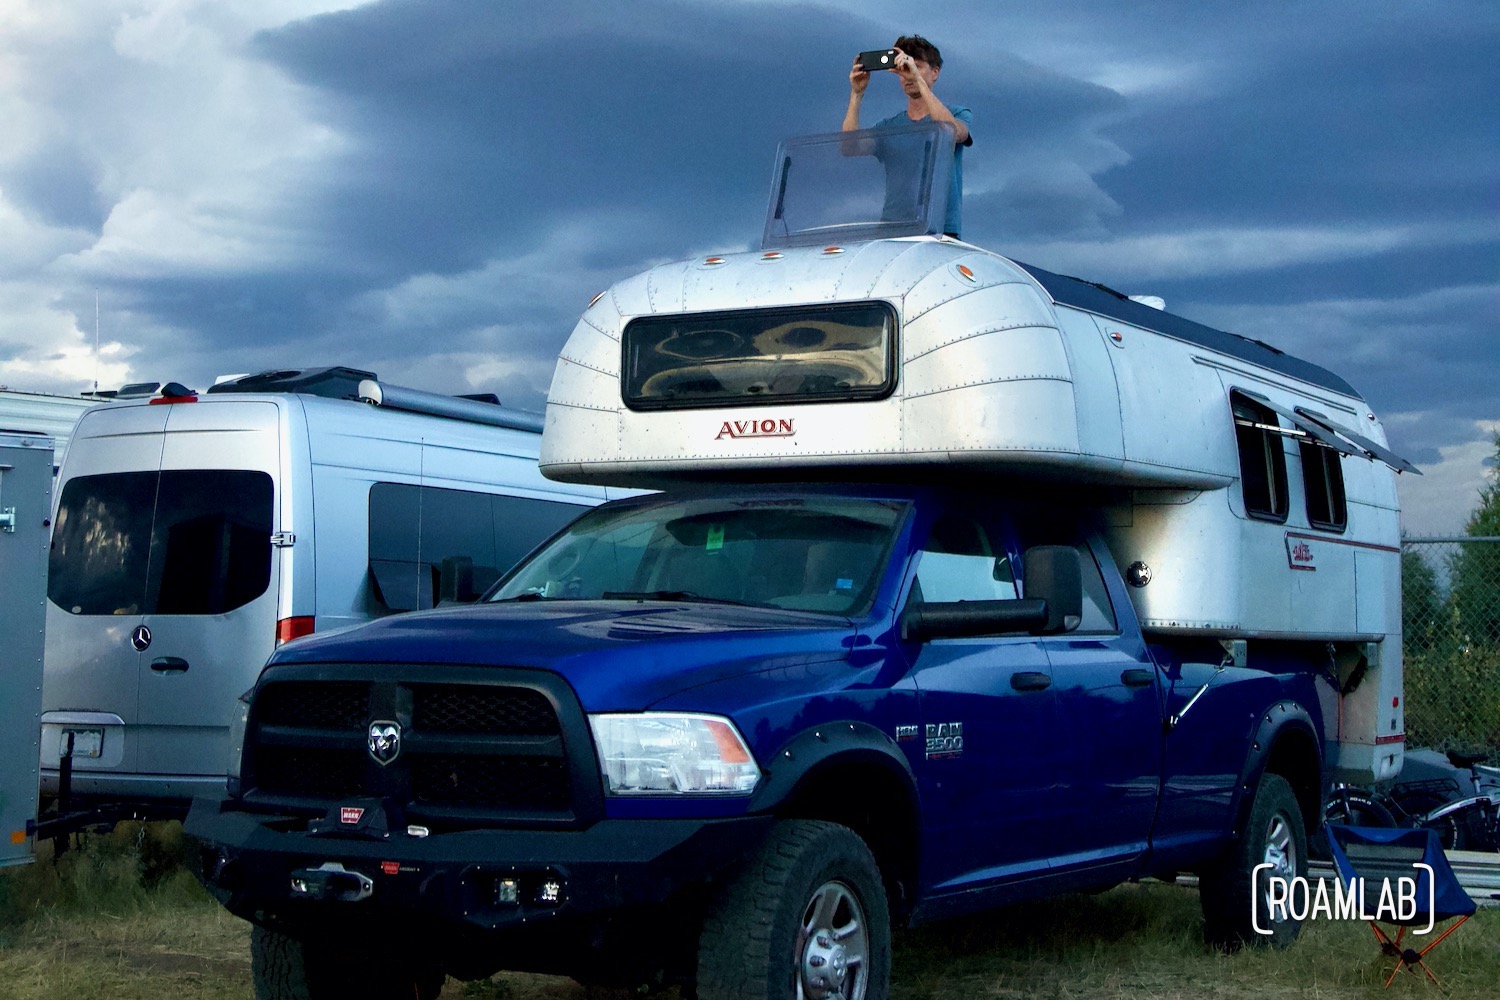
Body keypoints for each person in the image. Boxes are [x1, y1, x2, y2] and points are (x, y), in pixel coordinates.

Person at [843, 35, 973, 239]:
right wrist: (856, 94)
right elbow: (850, 148)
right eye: (902, 70)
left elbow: (952, 132)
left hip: (940, 229)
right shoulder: (889, 127)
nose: (907, 75)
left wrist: (918, 81)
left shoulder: (957, 114)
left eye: (916, 66)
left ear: (935, 72)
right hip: (892, 230)